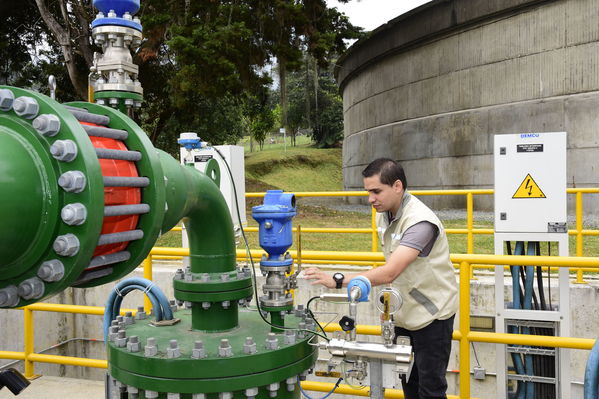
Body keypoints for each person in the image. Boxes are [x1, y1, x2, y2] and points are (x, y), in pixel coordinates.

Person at [304, 158, 458, 399]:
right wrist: (387, 307)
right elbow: (391, 266)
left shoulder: (420, 222)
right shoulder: (385, 214)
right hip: (403, 312)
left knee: (430, 388)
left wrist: (336, 280)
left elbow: (390, 271)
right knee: (408, 382)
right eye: (368, 192)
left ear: (397, 186)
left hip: (432, 314)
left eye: (376, 191)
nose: (370, 199)